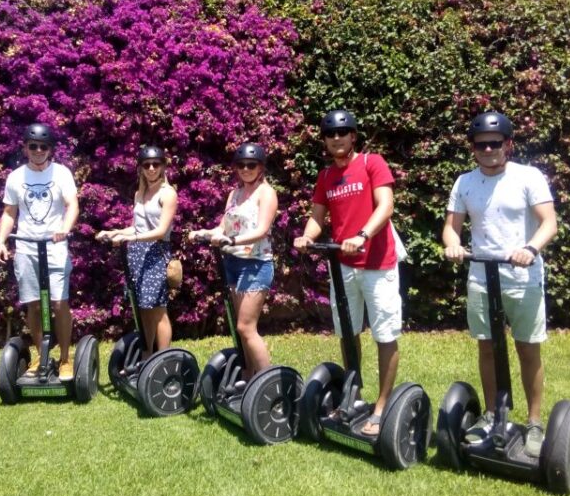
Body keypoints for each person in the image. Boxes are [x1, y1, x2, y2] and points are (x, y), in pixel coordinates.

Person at [442, 111, 557, 457]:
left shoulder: (528, 176)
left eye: (495, 143)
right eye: (481, 145)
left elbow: (549, 222)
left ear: (508, 144)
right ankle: (492, 416)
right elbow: (451, 226)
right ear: (473, 148)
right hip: (481, 276)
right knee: (488, 348)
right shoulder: (464, 182)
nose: (489, 150)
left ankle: (534, 422)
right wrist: (452, 243)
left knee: (527, 349)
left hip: (522, 277)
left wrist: (530, 248)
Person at [294, 110, 402, 436]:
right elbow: (317, 216)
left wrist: (363, 235)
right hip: (344, 265)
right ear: (325, 141)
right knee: (347, 330)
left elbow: (386, 205)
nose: (337, 138)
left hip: (378, 263)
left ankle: (382, 407)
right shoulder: (327, 176)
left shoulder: (372, 162)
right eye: (330, 134)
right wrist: (307, 236)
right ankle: (354, 395)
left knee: (384, 333)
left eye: (343, 132)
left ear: (353, 136)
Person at [0, 123, 79, 381]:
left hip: (54, 247)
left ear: (50, 149)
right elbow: (9, 213)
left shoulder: (61, 173)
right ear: (25, 148)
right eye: (33, 146)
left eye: (43, 146)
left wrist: (64, 228)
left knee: (59, 302)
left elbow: (72, 205)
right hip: (26, 248)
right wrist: (0, 241)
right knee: (33, 304)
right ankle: (42, 356)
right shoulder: (16, 177)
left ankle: (65, 358)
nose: (38, 151)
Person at [188, 143, 277, 380]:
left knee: (245, 327)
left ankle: (269, 383)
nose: (246, 169)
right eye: (241, 165)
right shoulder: (234, 194)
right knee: (240, 329)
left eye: (251, 165)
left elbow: (262, 230)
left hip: (256, 263)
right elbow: (223, 227)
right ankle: (248, 376)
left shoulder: (266, 193)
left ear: (261, 167)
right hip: (234, 263)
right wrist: (204, 232)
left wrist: (231, 240)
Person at [96, 145, 178, 359]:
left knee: (158, 309)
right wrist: (113, 232)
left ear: (163, 166)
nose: (151, 168)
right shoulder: (140, 193)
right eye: (146, 165)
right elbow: (136, 227)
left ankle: (164, 359)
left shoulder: (167, 194)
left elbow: (160, 231)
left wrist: (131, 238)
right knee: (143, 308)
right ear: (141, 168)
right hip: (137, 254)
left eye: (156, 164)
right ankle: (146, 355)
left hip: (156, 253)